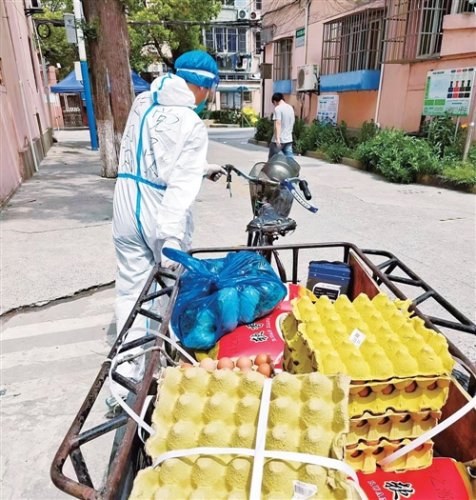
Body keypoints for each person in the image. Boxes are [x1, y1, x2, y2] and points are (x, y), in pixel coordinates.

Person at [110, 50, 224, 405]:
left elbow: (154, 156)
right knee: (165, 291)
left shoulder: (143, 102)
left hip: (125, 205)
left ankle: (122, 385)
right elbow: (179, 187)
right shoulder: (191, 122)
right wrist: (171, 238)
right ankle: (158, 374)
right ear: (203, 86)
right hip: (160, 210)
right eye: (210, 90)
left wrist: (203, 167)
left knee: (130, 293)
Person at [269, 92, 295, 159]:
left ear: (275, 101)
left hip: (279, 140)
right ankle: (292, 166)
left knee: (272, 159)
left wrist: (277, 139)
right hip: (288, 138)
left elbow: (278, 123)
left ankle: (269, 166)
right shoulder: (290, 108)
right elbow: (292, 121)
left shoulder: (278, 109)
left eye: (274, 103)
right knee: (290, 159)